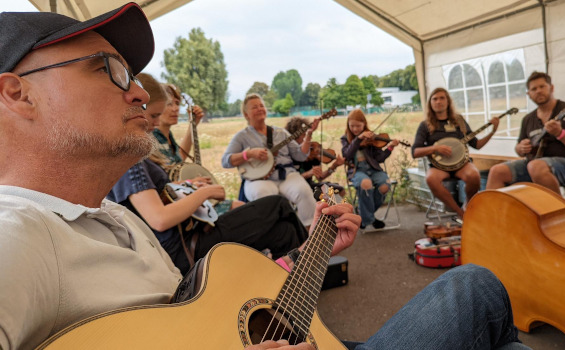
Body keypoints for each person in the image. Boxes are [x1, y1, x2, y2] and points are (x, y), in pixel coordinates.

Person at [0, 4, 527, 350]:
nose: (138, 93)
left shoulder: (114, 217)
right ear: (15, 93)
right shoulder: (18, 234)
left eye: (133, 76)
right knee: (474, 290)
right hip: (255, 186)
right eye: (106, 69)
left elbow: (201, 316)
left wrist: (311, 254)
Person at [107, 73, 307, 275]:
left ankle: (292, 284)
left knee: (284, 232)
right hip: (185, 247)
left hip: (193, 230)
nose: (157, 123)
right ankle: (311, 260)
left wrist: (189, 186)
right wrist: (206, 191)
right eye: (153, 116)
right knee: (277, 204)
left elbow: (164, 192)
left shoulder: (135, 156)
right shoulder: (130, 160)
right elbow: (159, 219)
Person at [221, 93, 318, 227]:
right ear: (246, 115)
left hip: (286, 175)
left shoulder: (280, 132)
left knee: (303, 191)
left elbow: (300, 155)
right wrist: (249, 154)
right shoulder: (242, 137)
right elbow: (225, 161)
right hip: (258, 179)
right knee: (264, 195)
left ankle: (309, 233)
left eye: (262, 105)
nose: (260, 108)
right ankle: (275, 237)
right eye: (255, 107)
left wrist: (308, 136)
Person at [486, 71, 565, 194]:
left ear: (552, 88)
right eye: (534, 89)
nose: (538, 91)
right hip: (533, 165)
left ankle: (558, 212)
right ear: (528, 94)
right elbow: (519, 151)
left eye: (542, 86)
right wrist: (521, 148)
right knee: (497, 171)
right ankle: (495, 213)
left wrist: (561, 134)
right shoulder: (528, 119)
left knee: (536, 166)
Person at [412, 88, 499, 219]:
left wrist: (492, 131)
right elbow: (415, 152)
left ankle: (468, 203)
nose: (438, 102)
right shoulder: (425, 125)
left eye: (442, 98)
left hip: (462, 164)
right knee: (431, 179)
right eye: (434, 99)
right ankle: (459, 212)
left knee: (474, 175)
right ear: (430, 103)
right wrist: (435, 148)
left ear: (448, 102)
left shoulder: (459, 121)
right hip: (438, 167)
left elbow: (477, 145)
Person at [341, 109, 400, 229]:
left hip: (373, 169)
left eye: (358, 126)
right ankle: (369, 219)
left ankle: (363, 214)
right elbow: (347, 154)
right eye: (352, 126)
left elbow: (380, 158)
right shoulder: (345, 139)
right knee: (366, 184)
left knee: (385, 186)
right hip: (357, 171)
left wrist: (390, 148)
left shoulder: (371, 137)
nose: (355, 129)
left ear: (364, 124)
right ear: (348, 125)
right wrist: (357, 139)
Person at [285, 116, 346, 196]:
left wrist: (334, 166)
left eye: (308, 134)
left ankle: (328, 207)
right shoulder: (286, 153)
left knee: (339, 191)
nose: (307, 138)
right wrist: (308, 174)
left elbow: (320, 177)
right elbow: (288, 180)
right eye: (304, 135)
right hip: (294, 189)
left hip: (310, 186)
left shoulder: (312, 152)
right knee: (323, 197)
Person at [154, 82, 205, 165]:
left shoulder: (168, 135)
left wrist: (193, 124)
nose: (175, 109)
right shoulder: (152, 139)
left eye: (177, 103)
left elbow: (179, 160)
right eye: (169, 104)